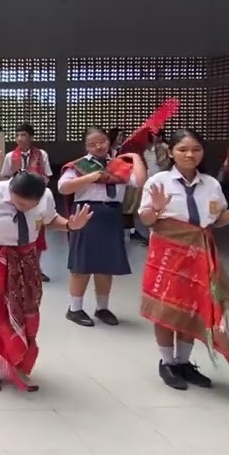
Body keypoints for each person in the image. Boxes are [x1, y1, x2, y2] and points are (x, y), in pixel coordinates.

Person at [138, 128, 229, 391]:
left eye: (195, 149)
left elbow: (218, 221)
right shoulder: (158, 181)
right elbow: (147, 220)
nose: (189, 154)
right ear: (171, 153)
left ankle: (184, 362)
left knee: (194, 308)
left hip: (200, 253)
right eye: (182, 149)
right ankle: (167, 363)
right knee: (165, 309)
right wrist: (158, 207)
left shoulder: (211, 184)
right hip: (167, 253)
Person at [0, 172, 92, 391]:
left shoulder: (46, 196)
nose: (25, 209)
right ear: (10, 189)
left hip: (26, 258)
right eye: (20, 204)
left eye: (31, 206)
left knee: (26, 309)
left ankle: (19, 360)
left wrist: (70, 225)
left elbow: (50, 220)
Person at [57, 126, 148, 327]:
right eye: (92, 144)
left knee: (106, 266)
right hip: (87, 214)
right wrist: (91, 177)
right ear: (86, 147)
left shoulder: (119, 165)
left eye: (102, 141)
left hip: (112, 215)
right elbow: (63, 187)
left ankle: (102, 308)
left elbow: (139, 182)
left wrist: (135, 157)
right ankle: (75, 308)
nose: (98, 146)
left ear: (109, 142)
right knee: (82, 265)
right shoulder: (78, 166)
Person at [0, 122, 54, 280]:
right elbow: (4, 176)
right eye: (17, 135)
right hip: (17, 200)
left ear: (31, 137)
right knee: (15, 233)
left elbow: (47, 175)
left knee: (37, 235)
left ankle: (35, 268)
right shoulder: (10, 156)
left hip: (36, 199)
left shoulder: (41, 155)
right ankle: (15, 269)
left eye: (23, 135)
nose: (20, 138)